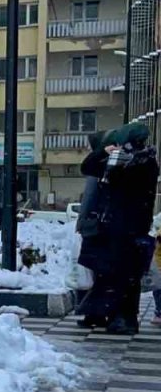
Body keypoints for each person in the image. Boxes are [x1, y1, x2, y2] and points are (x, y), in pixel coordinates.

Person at [76, 124, 159, 334]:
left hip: (130, 228)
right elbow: (88, 168)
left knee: (127, 277)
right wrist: (103, 154)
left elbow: (121, 182)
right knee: (110, 273)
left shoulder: (144, 162)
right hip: (112, 227)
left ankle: (126, 319)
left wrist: (116, 164)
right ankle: (108, 314)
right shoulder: (126, 160)